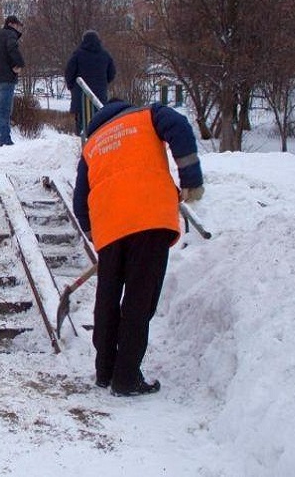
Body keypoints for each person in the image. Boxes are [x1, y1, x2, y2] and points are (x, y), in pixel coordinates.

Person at [72, 99, 204, 397]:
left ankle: (105, 371)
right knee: (138, 299)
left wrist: (97, 234)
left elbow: (80, 201)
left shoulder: (92, 144)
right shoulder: (147, 115)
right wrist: (191, 180)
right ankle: (126, 377)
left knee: (107, 300)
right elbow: (180, 127)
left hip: (109, 227)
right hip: (149, 216)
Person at [65, 29, 116, 134]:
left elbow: (69, 73)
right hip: (100, 97)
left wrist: (72, 87)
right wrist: (103, 83)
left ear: (83, 41)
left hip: (80, 98)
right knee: (99, 127)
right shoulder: (105, 55)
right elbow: (112, 73)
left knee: (82, 126)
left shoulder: (77, 55)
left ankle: (83, 146)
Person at [0, 15, 25, 148]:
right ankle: (5, 140)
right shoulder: (10, 35)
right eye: (17, 25)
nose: (18, 28)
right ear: (11, 24)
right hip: (6, 79)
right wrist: (19, 64)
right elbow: (12, 49)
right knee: (5, 111)